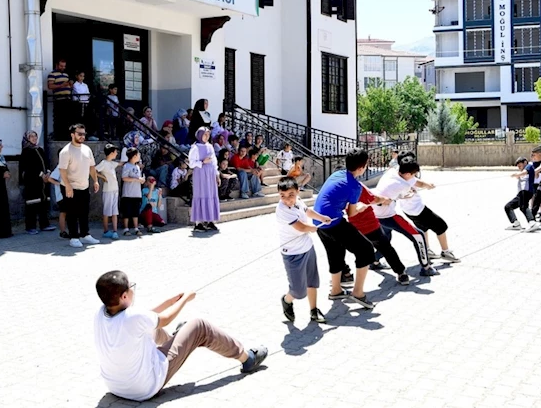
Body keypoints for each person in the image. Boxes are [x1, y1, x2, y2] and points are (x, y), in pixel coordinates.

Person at [93, 271, 268, 402]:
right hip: (144, 388)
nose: (133, 290)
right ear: (124, 296)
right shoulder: (134, 317)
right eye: (131, 288)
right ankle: (248, 358)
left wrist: (170, 302)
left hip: (115, 386)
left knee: (151, 329)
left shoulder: (101, 313)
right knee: (200, 326)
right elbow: (166, 319)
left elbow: (146, 317)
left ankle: (179, 338)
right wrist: (186, 299)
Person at [312, 148, 377, 309]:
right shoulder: (355, 186)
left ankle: (336, 290)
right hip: (333, 222)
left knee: (335, 252)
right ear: (362, 168)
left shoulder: (337, 174)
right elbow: (352, 213)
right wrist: (362, 206)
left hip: (318, 221)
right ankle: (358, 293)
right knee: (366, 250)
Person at [276, 177, 333, 323]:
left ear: (297, 192)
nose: (287, 199)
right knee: (298, 291)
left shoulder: (298, 201)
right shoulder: (282, 209)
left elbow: (307, 211)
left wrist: (321, 218)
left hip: (307, 248)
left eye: (291, 195)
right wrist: (311, 228)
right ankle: (287, 300)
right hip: (293, 253)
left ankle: (314, 310)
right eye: (283, 196)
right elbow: (301, 227)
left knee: (313, 281)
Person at [372, 159, 439, 277]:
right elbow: (403, 194)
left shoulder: (392, 171)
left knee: (385, 239)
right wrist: (410, 194)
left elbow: (393, 195)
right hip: (387, 215)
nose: (414, 177)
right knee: (418, 235)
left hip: (374, 214)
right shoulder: (403, 184)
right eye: (413, 174)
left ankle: (374, 261)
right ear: (408, 174)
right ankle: (426, 268)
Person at [348, 181, 413, 284]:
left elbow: (372, 198)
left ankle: (400, 272)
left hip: (361, 226)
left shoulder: (345, 188)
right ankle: (401, 273)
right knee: (384, 248)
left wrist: (382, 200)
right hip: (362, 226)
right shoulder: (355, 185)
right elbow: (373, 198)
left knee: (383, 247)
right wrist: (384, 200)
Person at [397, 168, 458, 262]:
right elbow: (419, 183)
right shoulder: (408, 176)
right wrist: (428, 185)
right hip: (418, 209)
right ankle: (445, 252)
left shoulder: (398, 175)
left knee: (423, 228)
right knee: (441, 226)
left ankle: (427, 250)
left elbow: (418, 183)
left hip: (408, 211)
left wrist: (427, 185)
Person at [58, 124, 101, 248]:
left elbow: (92, 166)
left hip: (84, 185)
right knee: (72, 213)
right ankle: (74, 237)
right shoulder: (66, 151)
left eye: (84, 134)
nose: (82, 136)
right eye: (79, 134)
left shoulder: (87, 149)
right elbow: (62, 170)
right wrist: (68, 186)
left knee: (84, 212)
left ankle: (85, 235)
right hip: (70, 186)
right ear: (72, 134)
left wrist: (96, 181)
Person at [20, 130, 55, 235]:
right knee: (32, 204)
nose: (34, 138)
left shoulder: (40, 149)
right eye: (31, 137)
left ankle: (44, 224)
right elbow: (29, 168)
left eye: (35, 136)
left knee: (43, 203)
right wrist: (41, 175)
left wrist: (48, 173)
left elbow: (46, 162)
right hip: (32, 182)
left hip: (43, 182)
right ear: (27, 139)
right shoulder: (26, 151)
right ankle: (30, 227)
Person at [188, 127, 221, 232]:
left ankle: (210, 220)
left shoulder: (210, 146)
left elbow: (214, 162)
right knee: (201, 195)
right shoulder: (195, 148)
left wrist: (217, 175)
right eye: (205, 134)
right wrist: (202, 162)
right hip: (201, 174)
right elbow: (191, 163)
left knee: (211, 195)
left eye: (208, 135)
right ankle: (198, 223)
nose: (207, 137)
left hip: (210, 174)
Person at [506, 157, 541, 232]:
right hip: (520, 193)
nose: (519, 168)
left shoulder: (529, 166)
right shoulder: (523, 171)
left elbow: (524, 173)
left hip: (526, 191)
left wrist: (516, 175)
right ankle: (516, 224)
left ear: (525, 162)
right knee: (508, 207)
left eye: (520, 166)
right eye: (518, 167)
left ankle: (532, 222)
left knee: (523, 207)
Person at [96, 144, 121, 240]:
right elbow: (94, 170)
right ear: (111, 153)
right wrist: (103, 177)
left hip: (115, 189)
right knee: (107, 211)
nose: (116, 153)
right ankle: (106, 231)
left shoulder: (111, 163)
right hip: (108, 190)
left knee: (115, 211)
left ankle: (115, 231)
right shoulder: (104, 163)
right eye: (115, 152)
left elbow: (120, 163)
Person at [121, 149, 146, 237]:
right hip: (128, 193)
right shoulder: (127, 166)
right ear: (134, 156)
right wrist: (136, 179)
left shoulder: (137, 167)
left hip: (137, 192)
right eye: (138, 155)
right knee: (127, 211)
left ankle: (136, 228)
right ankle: (126, 228)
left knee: (136, 211)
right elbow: (124, 178)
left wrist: (141, 180)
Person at [47, 58, 73, 140]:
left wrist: (70, 85)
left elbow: (69, 87)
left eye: (64, 66)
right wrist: (62, 85)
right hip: (59, 99)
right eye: (61, 66)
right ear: (57, 65)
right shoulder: (52, 74)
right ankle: (59, 136)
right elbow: (50, 86)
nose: (63, 68)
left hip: (67, 99)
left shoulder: (66, 75)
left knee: (67, 118)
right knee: (59, 118)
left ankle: (67, 136)